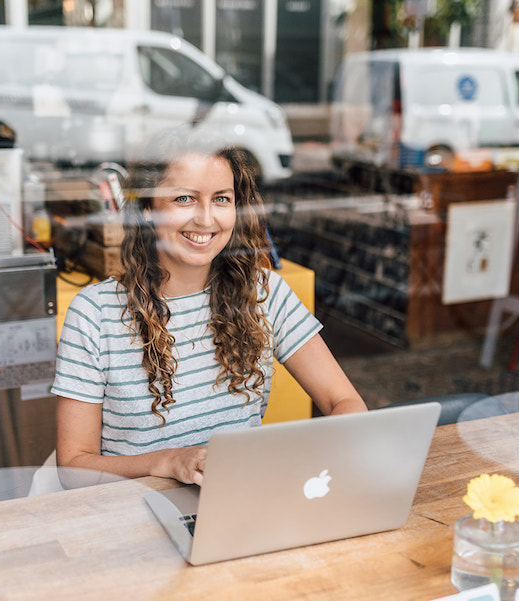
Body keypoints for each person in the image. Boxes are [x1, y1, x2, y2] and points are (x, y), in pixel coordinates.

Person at [52, 135, 366, 486]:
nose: (205, 219)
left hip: (239, 505)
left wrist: (312, 462)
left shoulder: (264, 292)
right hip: (132, 517)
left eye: (221, 199)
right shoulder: (94, 313)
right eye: (184, 198)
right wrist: (168, 461)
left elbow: (346, 401)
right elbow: (73, 470)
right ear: (147, 210)